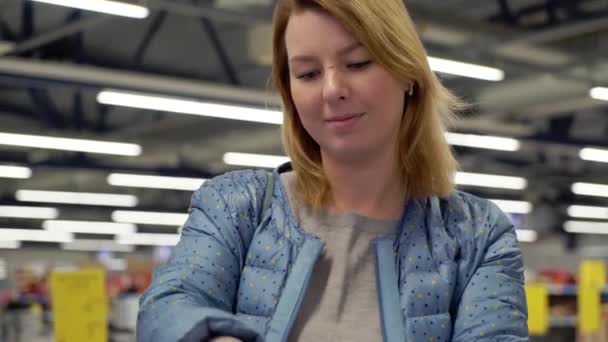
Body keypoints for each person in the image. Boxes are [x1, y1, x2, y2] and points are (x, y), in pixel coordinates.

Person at [137, 0, 529, 341]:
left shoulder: (477, 236)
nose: (331, 89)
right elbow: (168, 307)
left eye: (357, 63)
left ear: (407, 71)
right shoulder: (236, 207)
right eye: (308, 74)